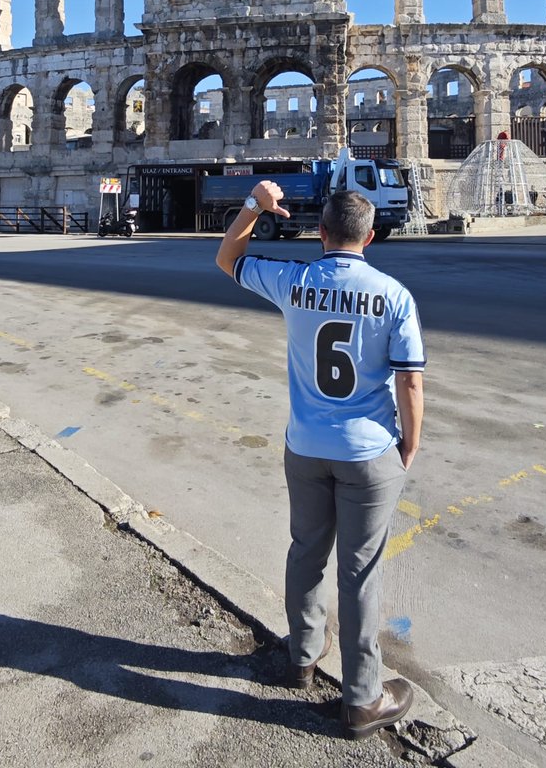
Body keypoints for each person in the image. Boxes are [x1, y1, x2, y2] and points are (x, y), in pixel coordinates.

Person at [216, 182, 425, 740]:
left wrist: (255, 207)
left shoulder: (295, 280)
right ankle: (361, 699)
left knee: (306, 552)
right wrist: (410, 442)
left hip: (306, 446)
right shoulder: (393, 295)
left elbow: (227, 257)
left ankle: (302, 658)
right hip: (367, 452)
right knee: (360, 574)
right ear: (371, 237)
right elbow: (409, 379)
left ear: (321, 233)